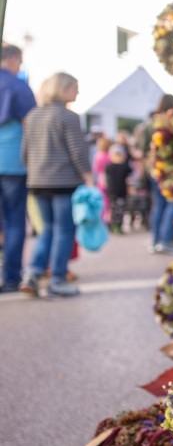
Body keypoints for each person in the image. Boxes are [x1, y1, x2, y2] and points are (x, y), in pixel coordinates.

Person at [21, 72, 92, 296]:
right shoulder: (68, 117)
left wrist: (35, 172)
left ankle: (32, 275)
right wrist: (88, 177)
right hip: (63, 182)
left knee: (46, 230)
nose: (77, 92)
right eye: (74, 88)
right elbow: (77, 151)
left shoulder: (32, 116)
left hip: (37, 182)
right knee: (64, 231)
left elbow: (24, 153)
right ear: (63, 89)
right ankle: (57, 280)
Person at [0, 44, 37, 293]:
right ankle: (11, 277)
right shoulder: (18, 86)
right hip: (12, 162)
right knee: (14, 222)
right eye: (19, 62)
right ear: (12, 59)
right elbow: (30, 125)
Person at [143, 94, 173, 254]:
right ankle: (166, 239)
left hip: (153, 168)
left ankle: (155, 240)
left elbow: (143, 148)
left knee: (159, 205)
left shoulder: (149, 124)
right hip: (169, 169)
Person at [104, 143, 132, 233]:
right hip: (115, 192)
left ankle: (116, 225)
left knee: (119, 210)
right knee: (116, 210)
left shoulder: (110, 167)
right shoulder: (114, 167)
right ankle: (115, 226)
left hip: (118, 191)